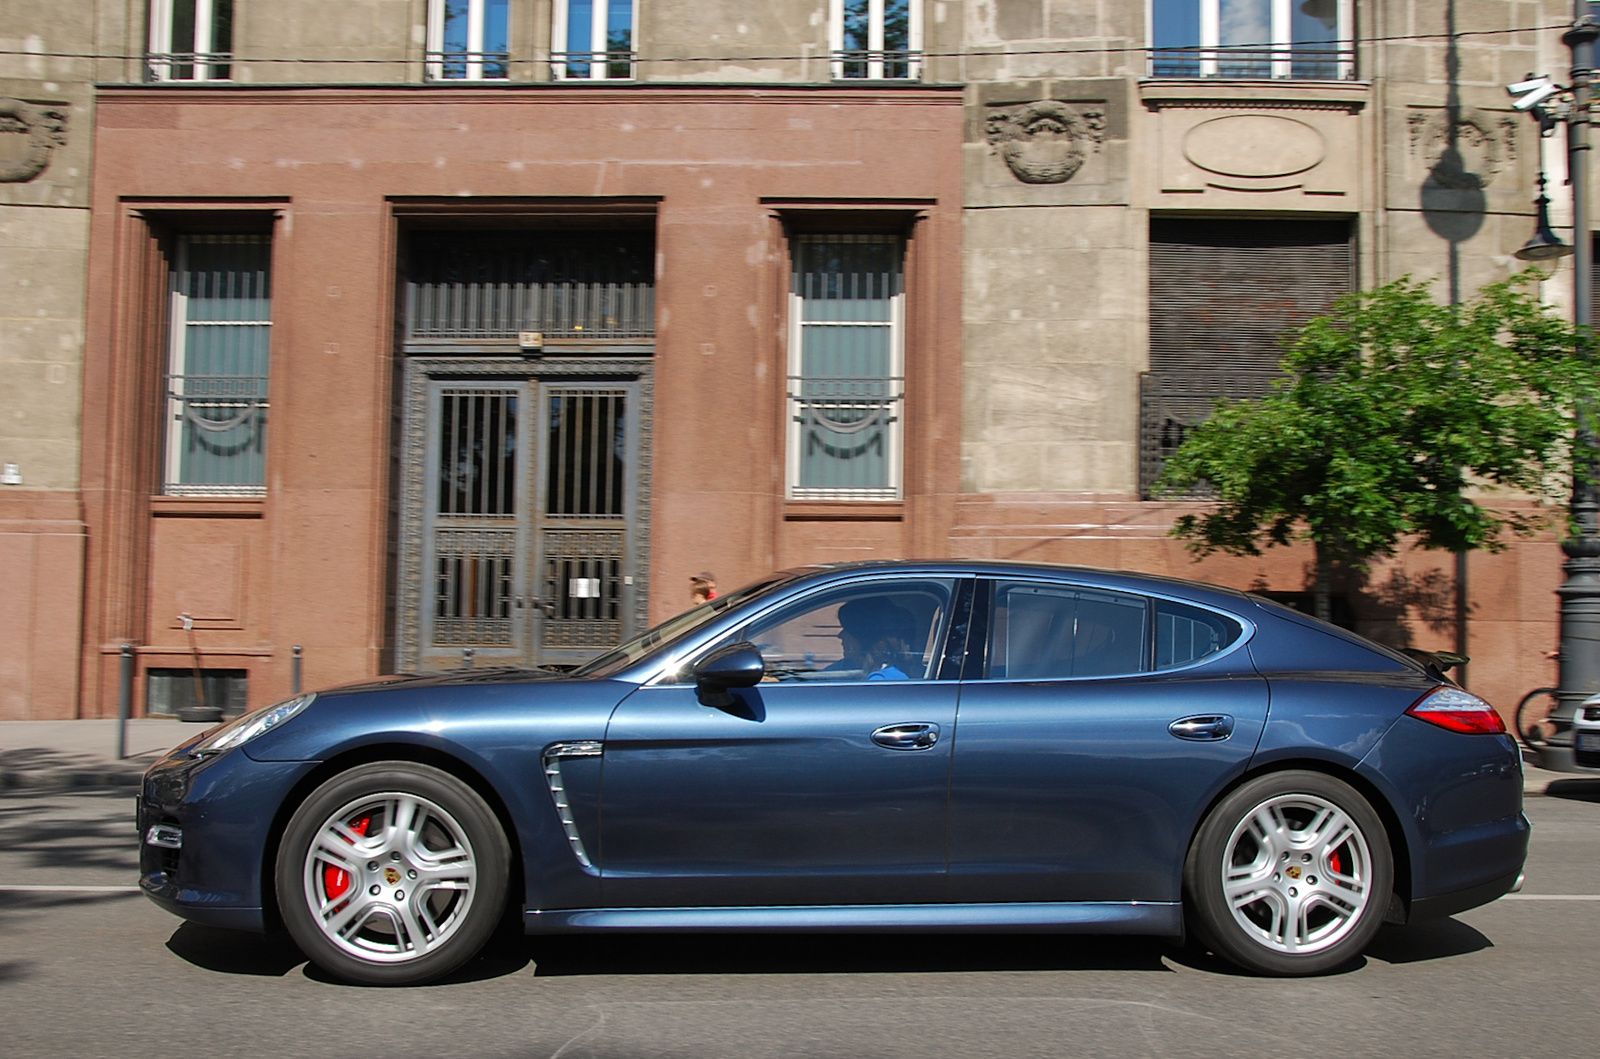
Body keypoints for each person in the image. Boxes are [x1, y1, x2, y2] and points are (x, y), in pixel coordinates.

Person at [831, 597, 916, 680]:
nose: (840, 635)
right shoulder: (848, 666)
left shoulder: (882, 680)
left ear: (864, 636)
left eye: (847, 628)